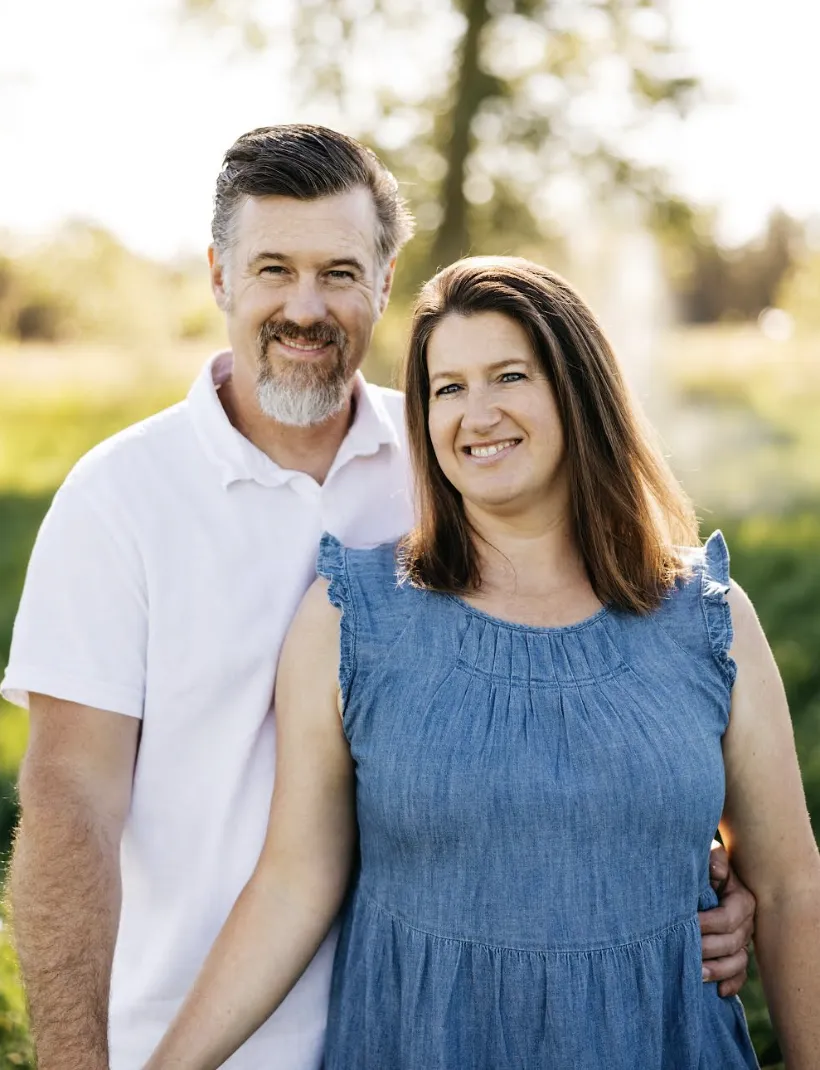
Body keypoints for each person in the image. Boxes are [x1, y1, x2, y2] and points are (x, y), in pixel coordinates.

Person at [2, 127, 753, 1070]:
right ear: (218, 276)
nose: (305, 307)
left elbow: (626, 666)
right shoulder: (120, 500)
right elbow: (71, 804)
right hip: (197, 1035)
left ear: (386, 282)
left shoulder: (456, 453)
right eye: (273, 268)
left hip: (415, 1027)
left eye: (339, 272)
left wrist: (700, 866)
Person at [143, 256, 820, 1070]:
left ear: (578, 391)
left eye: (509, 375)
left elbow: (787, 889)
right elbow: (294, 882)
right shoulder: (351, 619)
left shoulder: (707, 619)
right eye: (449, 388)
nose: (478, 413)